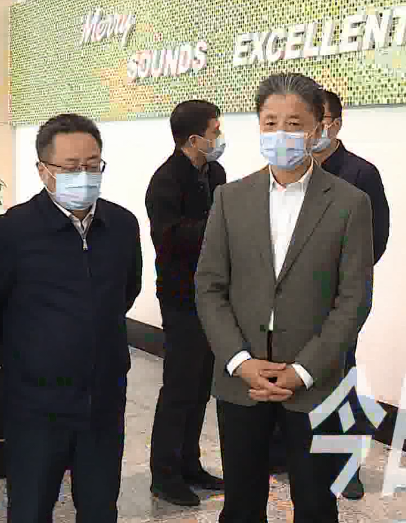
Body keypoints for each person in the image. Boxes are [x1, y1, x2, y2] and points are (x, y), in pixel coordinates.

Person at [195, 72, 375, 523]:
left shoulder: (350, 202)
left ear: (317, 129)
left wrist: (303, 370)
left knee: (315, 504)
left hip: (314, 382)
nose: (281, 134)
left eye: (294, 124)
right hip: (242, 381)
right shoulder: (230, 198)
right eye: (270, 122)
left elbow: (354, 298)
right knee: (241, 505)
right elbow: (210, 286)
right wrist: (240, 361)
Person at [0, 113, 142, 522]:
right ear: (43, 170)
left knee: (100, 508)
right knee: (31, 509)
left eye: (92, 164)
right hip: (36, 405)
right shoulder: (11, 232)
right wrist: (37, 351)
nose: (84, 175)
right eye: (70, 167)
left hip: (104, 399)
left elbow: (126, 292)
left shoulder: (121, 225)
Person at [268, 88, 391, 500]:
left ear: (333, 124)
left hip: (336, 302)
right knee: (288, 377)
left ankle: (345, 467)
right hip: (286, 303)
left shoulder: (360, 174)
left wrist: (339, 282)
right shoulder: (287, 171)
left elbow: (375, 241)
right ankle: (286, 455)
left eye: (308, 122)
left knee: (338, 381)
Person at [146, 100, 226, 506]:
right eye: (215, 131)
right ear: (194, 139)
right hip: (180, 298)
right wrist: (218, 223)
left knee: (201, 387)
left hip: (214, 295)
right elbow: (168, 238)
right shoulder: (165, 181)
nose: (220, 138)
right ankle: (164, 474)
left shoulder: (215, 173)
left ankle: (190, 464)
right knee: (179, 386)